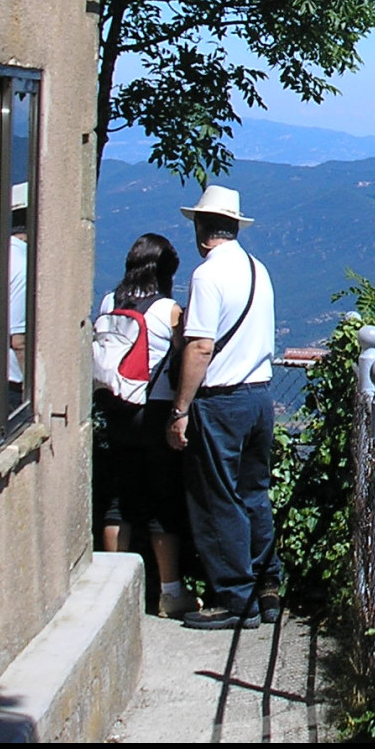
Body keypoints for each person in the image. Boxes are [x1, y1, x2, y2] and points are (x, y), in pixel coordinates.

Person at [166, 186, 281, 630]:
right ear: (234, 226)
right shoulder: (258, 269)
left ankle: (235, 598)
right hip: (259, 396)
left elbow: (200, 347)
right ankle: (266, 586)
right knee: (254, 492)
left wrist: (180, 410)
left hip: (221, 401)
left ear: (201, 229)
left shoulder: (206, 275)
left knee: (217, 497)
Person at [95, 233, 197, 619]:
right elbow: (185, 353)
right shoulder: (169, 310)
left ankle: (108, 593)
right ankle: (170, 592)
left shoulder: (110, 301)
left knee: (119, 500)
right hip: (153, 411)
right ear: (165, 270)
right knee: (162, 500)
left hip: (116, 407)